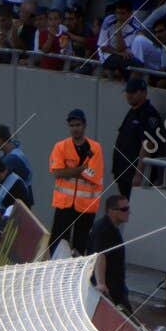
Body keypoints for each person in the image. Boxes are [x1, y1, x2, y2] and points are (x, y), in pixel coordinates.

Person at [49, 109, 103, 254]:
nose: (75, 129)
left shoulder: (95, 148)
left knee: (81, 244)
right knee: (58, 243)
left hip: (86, 205)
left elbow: (94, 176)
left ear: (84, 125)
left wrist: (69, 170)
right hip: (64, 203)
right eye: (72, 125)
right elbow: (57, 172)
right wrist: (82, 169)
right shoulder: (61, 146)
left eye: (78, 125)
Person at [113, 77, 165, 199]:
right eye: (127, 92)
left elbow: (148, 144)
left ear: (143, 93)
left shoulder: (148, 114)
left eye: (133, 92)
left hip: (134, 176)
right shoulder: (132, 111)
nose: (129, 95)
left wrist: (138, 174)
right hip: (124, 173)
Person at [89, 193, 133, 312]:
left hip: (117, 286)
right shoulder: (104, 229)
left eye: (128, 208)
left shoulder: (113, 228)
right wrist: (101, 284)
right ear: (111, 211)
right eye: (124, 209)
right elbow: (100, 255)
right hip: (111, 288)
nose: (128, 212)